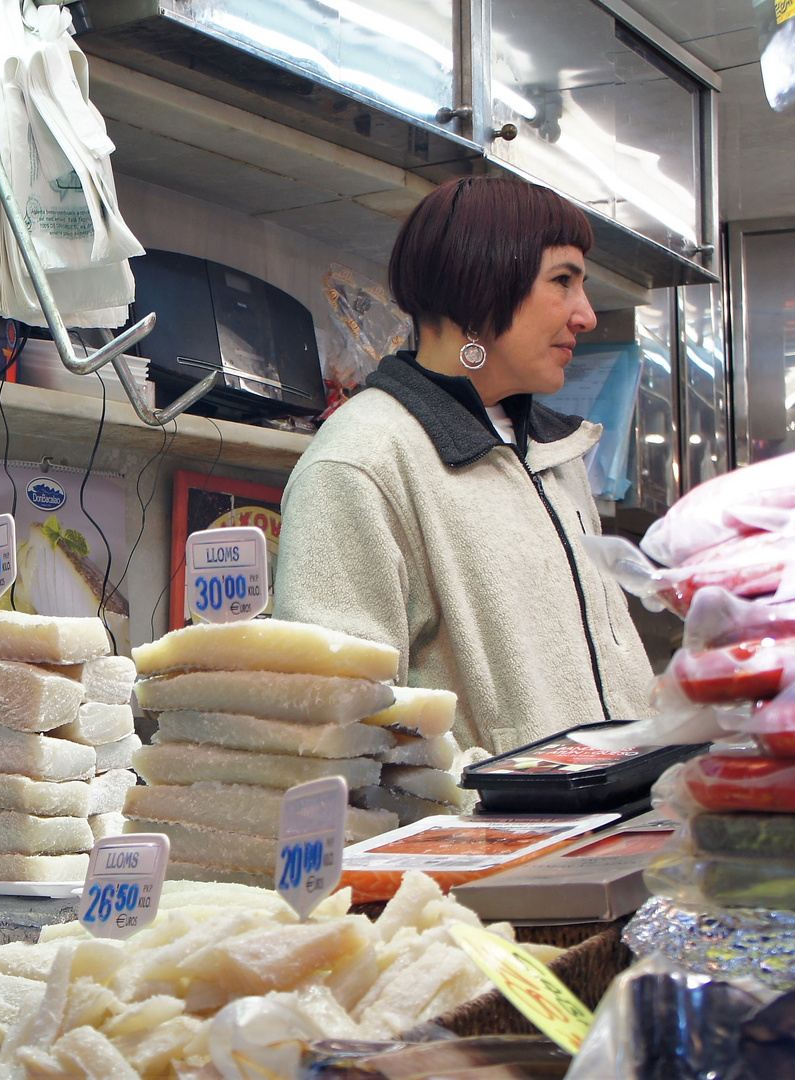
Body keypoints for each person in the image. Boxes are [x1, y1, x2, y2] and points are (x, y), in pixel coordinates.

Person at [273, 177, 654, 755]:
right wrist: (502, 790)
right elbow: (334, 726)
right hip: (496, 839)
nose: (586, 316)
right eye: (563, 282)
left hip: (614, 827)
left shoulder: (557, 455)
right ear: (481, 286)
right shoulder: (362, 460)